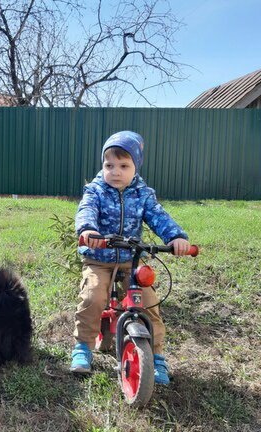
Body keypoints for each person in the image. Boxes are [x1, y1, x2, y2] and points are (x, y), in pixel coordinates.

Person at [71, 130, 191, 384]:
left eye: (123, 165)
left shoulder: (143, 194)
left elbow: (159, 217)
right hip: (99, 258)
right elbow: (86, 210)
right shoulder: (96, 191)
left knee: (148, 303)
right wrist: (88, 230)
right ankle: (83, 346)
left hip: (130, 260)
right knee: (93, 296)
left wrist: (175, 237)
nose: (115, 171)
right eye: (109, 165)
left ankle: (156, 357)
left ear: (136, 167)